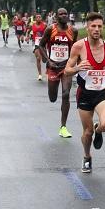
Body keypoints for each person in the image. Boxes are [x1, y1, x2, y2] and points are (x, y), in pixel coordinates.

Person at [64, 12, 105, 173]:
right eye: (93, 26)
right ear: (87, 27)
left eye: (99, 26)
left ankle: (99, 129)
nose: (96, 29)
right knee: (87, 133)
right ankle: (87, 157)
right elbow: (67, 70)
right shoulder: (78, 46)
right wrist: (78, 68)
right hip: (85, 93)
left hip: (103, 92)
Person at [39, 8, 79, 138]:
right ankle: (52, 92)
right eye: (60, 14)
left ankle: (63, 127)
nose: (63, 15)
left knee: (66, 94)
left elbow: (75, 48)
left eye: (65, 14)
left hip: (66, 67)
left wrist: (75, 63)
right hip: (53, 66)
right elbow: (41, 45)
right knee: (53, 98)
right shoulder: (50, 29)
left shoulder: (73, 31)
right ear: (56, 16)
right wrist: (48, 60)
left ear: (68, 16)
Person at [28, 14, 47, 80]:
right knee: (38, 58)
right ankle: (40, 74)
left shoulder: (44, 25)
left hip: (43, 43)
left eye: (39, 17)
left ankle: (47, 70)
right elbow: (28, 31)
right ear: (35, 18)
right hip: (36, 43)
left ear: (41, 18)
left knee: (45, 60)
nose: (38, 18)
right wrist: (27, 37)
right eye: (37, 17)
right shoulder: (32, 25)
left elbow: (48, 33)